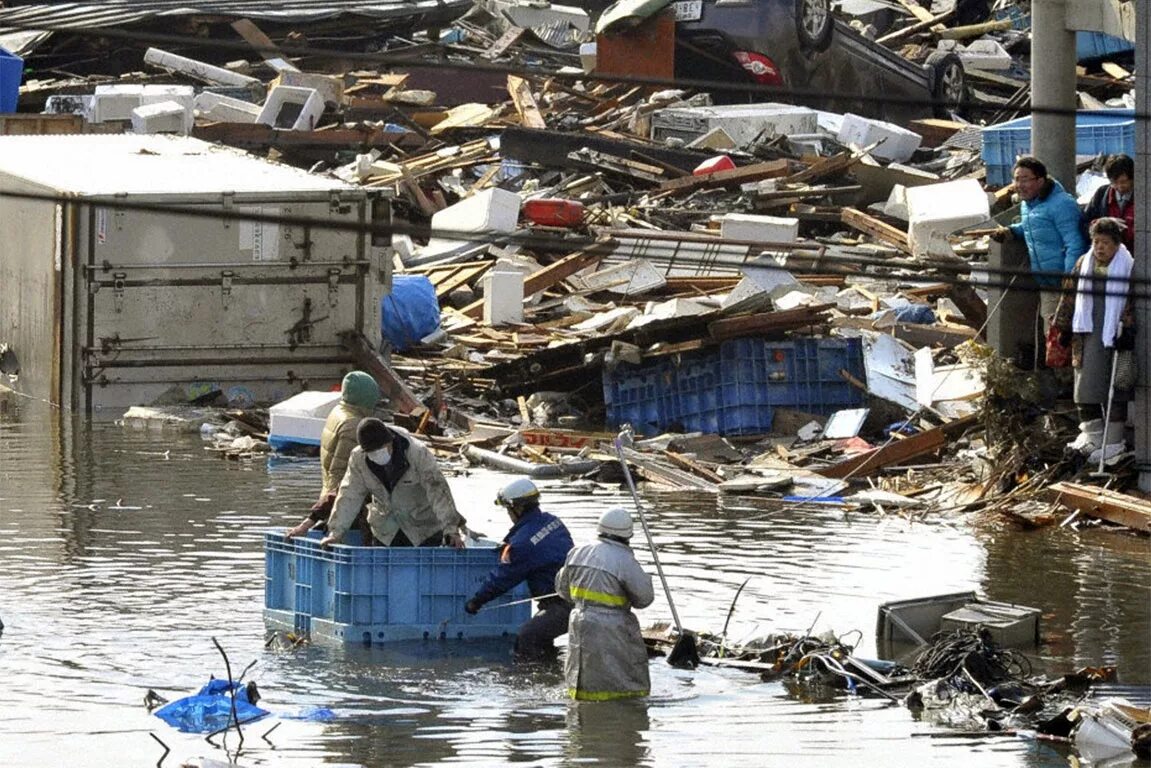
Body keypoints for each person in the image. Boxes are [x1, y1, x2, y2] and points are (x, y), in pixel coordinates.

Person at [464, 478, 574, 662]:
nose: (509, 514)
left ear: (518, 508)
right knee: (541, 638)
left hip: (563, 605)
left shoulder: (522, 544)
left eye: (508, 510)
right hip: (576, 598)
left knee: (527, 639)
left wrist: (476, 601)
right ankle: (550, 669)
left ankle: (533, 683)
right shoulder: (554, 522)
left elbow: (503, 578)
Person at [1054, 217, 1135, 459]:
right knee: (1085, 386)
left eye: (1106, 243)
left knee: (1114, 387)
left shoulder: (1128, 267)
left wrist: (1129, 331)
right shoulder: (1083, 264)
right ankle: (1093, 436)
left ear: (1117, 245)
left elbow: (1133, 303)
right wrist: (1064, 327)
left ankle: (1113, 441)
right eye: (1097, 242)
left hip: (1114, 336)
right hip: (1087, 333)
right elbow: (1069, 295)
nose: (1100, 248)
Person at [555, 507, 654, 701]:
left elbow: (562, 589)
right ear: (628, 535)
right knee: (623, 676)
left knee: (581, 670)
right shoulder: (624, 560)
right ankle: (620, 713)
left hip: (579, 619)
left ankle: (582, 715)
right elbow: (644, 599)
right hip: (613, 626)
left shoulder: (577, 552)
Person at [320, 418, 466, 548]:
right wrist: (335, 533)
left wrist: (451, 530)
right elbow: (349, 494)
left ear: (390, 441)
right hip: (385, 531)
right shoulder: (358, 458)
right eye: (372, 452)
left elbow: (438, 491)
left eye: (380, 450)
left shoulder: (417, 453)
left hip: (423, 528)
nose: (377, 454)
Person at [992, 156, 1087, 346]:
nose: (1019, 185)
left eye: (1025, 179)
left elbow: (1075, 243)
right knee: (1052, 340)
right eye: (1016, 179)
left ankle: (1072, 376)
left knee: (1069, 340)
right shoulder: (1029, 205)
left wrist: (1069, 281)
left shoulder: (1061, 204)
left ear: (1040, 180)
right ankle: (1057, 374)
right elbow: (1034, 227)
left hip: (1065, 285)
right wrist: (1011, 231)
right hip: (1046, 284)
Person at [286, 371, 380, 540]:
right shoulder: (354, 425)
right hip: (343, 501)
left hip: (329, 495)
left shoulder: (337, 412)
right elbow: (345, 474)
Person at [1084, 154, 1134, 252]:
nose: (1119, 187)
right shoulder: (1101, 194)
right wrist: (1104, 224)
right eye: (1114, 182)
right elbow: (1084, 224)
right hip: (1106, 258)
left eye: (1123, 182)